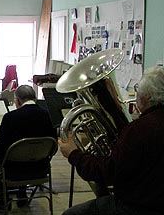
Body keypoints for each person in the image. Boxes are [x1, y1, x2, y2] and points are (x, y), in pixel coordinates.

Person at [59, 66, 164, 215]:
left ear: (147, 97)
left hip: (137, 206)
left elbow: (108, 173)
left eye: (138, 90)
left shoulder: (139, 129)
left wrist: (73, 154)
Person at [0, 85, 57, 209]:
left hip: (13, 170)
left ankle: (3, 198)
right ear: (34, 98)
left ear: (17, 100)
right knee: (26, 154)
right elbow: (53, 147)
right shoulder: (49, 116)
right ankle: (22, 195)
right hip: (40, 168)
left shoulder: (10, 118)